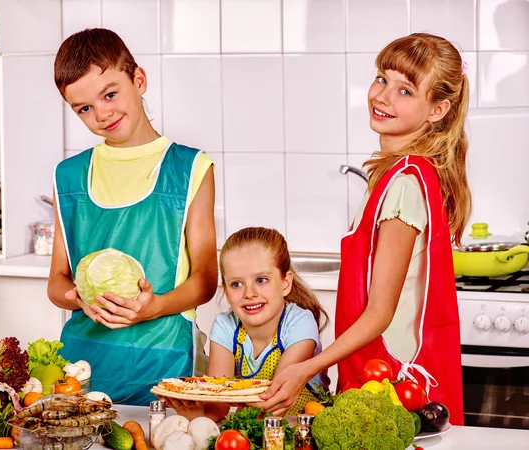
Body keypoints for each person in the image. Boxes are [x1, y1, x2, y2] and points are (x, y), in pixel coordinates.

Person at [256, 33, 470, 426]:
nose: (383, 96)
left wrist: (308, 367)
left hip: (393, 382)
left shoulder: (405, 184)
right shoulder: (401, 174)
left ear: (437, 109)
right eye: (381, 79)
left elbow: (380, 312)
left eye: (405, 90)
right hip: (382, 378)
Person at [47, 28, 218, 405]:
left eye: (110, 94)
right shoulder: (69, 176)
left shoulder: (190, 168)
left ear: (138, 79)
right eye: (84, 109)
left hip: (163, 361)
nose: (102, 113)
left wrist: (154, 306)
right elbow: (57, 280)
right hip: (82, 365)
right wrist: (80, 299)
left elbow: (206, 279)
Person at [161, 227, 330, 421]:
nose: (249, 293)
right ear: (225, 289)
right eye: (236, 284)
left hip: (302, 435)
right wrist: (196, 412)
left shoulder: (300, 322)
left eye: (261, 280)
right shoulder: (225, 326)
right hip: (254, 432)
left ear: (285, 283)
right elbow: (218, 403)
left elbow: (276, 399)